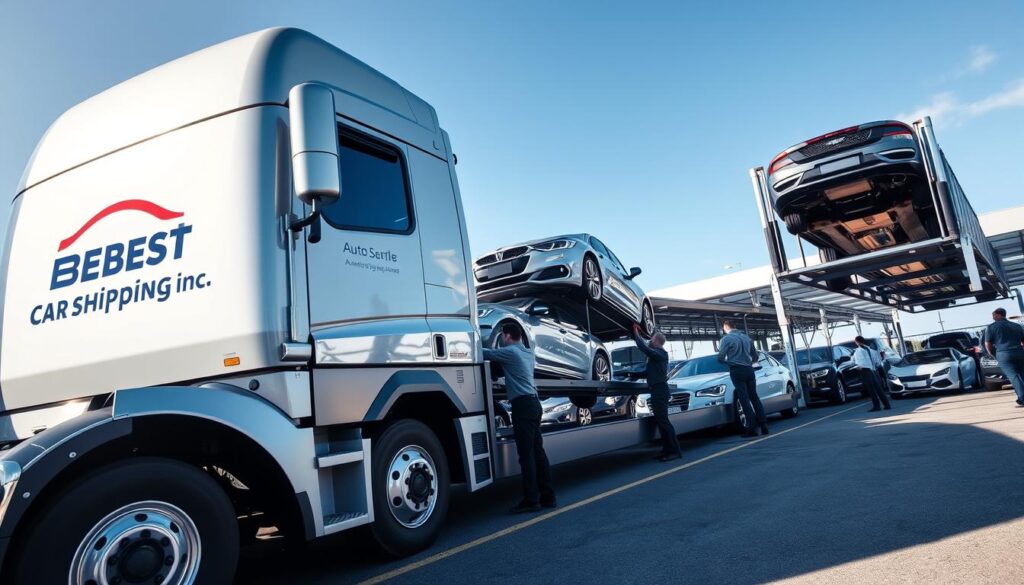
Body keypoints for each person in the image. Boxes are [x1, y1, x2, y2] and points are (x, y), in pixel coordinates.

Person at [483, 323, 556, 513]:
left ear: (507, 336)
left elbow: (486, 354)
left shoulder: (511, 352)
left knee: (526, 457)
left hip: (522, 406)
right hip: (534, 403)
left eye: (502, 337)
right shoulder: (527, 353)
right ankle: (548, 496)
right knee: (538, 453)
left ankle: (532, 500)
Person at [631, 324, 682, 461]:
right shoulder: (657, 356)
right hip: (657, 391)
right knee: (661, 422)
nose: (650, 341)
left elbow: (645, 349)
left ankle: (675, 451)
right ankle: (667, 450)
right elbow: (647, 373)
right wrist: (630, 374)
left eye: (652, 339)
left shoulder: (660, 353)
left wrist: (636, 333)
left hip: (660, 390)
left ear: (657, 341)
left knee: (664, 422)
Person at [718, 319, 768, 437]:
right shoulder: (747, 338)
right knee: (754, 397)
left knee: (744, 399)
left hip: (737, 370)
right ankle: (764, 425)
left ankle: (752, 428)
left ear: (725, 328)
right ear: (735, 326)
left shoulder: (726, 339)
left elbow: (720, 357)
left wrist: (728, 362)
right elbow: (755, 356)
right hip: (749, 370)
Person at [984, 308, 1024, 406]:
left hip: (1003, 353)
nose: (992, 317)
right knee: (1022, 375)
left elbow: (987, 343)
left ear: (999, 315)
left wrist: (991, 354)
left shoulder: (991, 327)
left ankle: (1022, 398)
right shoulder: (1017, 326)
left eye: (994, 315)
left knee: (1013, 376)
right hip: (1019, 352)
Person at [853, 336, 891, 412]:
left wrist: (858, 367)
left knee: (871, 390)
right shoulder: (869, 349)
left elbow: (860, 363)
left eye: (855, 341)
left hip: (865, 371)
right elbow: (876, 360)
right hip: (873, 370)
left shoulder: (858, 351)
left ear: (857, 342)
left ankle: (876, 406)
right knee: (878, 388)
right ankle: (886, 405)